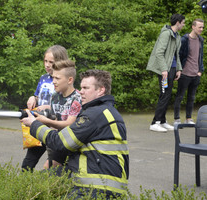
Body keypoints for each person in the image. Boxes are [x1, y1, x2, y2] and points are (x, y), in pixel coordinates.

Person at [21, 69, 129, 199]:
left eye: (85, 88)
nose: (80, 91)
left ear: (101, 90)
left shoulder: (95, 114)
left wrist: (34, 124)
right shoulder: (106, 112)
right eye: (81, 87)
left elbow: (61, 143)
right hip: (103, 183)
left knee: (35, 188)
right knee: (44, 178)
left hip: (97, 188)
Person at [22, 58, 82, 171]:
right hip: (59, 143)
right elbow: (54, 118)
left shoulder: (77, 98)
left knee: (52, 172)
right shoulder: (55, 96)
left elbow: (69, 123)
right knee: (48, 169)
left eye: (57, 78)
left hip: (74, 144)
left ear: (70, 80)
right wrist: (35, 117)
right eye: (53, 77)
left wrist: (44, 121)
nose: (53, 81)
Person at [147, 14, 185, 132]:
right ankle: (155, 123)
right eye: (183, 22)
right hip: (165, 70)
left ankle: (162, 121)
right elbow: (159, 53)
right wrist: (164, 70)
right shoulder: (166, 34)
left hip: (172, 69)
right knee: (164, 95)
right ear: (178, 22)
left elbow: (176, 54)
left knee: (167, 95)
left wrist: (179, 69)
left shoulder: (177, 36)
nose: (184, 25)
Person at [173, 19, 204, 125]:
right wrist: (179, 70)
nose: (201, 29)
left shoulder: (201, 40)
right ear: (193, 27)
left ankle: (188, 118)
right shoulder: (184, 40)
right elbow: (178, 56)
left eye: (202, 27)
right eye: (199, 27)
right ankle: (177, 119)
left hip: (196, 74)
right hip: (185, 73)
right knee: (179, 96)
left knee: (191, 98)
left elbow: (201, 56)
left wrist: (200, 70)